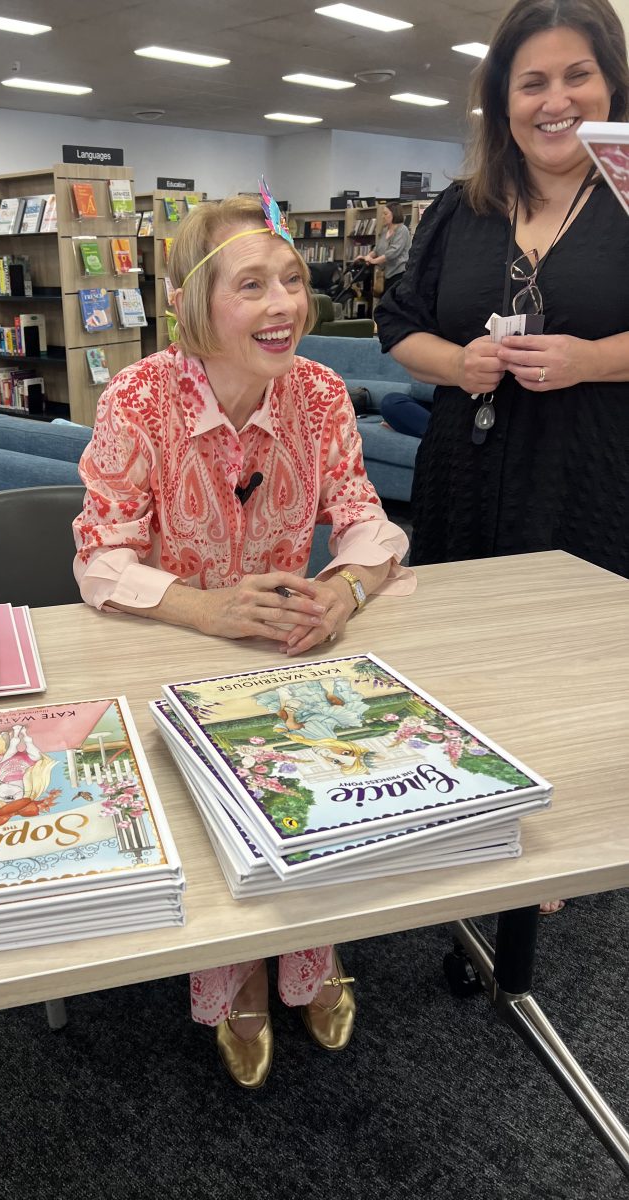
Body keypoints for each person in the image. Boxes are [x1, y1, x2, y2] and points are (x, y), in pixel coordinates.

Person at [73, 190, 414, 1088]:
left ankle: (308, 953)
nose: (285, 306)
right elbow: (100, 561)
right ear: (196, 303)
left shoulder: (323, 392)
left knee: (313, 779)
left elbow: (369, 525)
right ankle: (238, 975)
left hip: (290, 641)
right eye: (252, 285)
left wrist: (342, 593)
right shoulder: (138, 397)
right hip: (171, 642)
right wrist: (206, 608)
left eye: (293, 281)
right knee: (221, 810)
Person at [376, 0, 629, 914]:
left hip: (592, 465)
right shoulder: (463, 206)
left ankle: (562, 841)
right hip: (466, 461)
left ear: (611, 85)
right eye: (532, 82)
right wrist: (460, 363)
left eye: (577, 76)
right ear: (501, 99)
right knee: (465, 645)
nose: (555, 100)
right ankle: (467, 808)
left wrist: (593, 360)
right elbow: (397, 323)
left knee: (571, 652)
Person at [361, 202, 412, 284]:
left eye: (385, 214)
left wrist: (373, 261)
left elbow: (392, 253)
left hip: (399, 274)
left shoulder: (402, 230)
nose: (382, 217)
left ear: (394, 214)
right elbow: (377, 249)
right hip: (386, 274)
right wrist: (367, 257)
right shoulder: (385, 230)